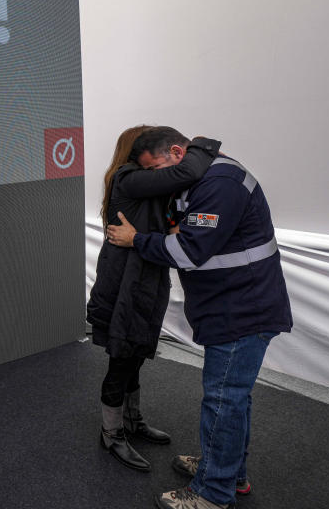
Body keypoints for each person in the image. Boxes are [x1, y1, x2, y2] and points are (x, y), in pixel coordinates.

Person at [106, 127, 293, 509]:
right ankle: (226, 470)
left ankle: (212, 493)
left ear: (177, 152)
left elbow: (190, 250)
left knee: (223, 401)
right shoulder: (206, 177)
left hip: (243, 310)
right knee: (233, 399)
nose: (160, 180)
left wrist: (136, 240)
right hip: (232, 305)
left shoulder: (221, 183)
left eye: (158, 169)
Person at [87, 126, 221, 472]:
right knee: (122, 357)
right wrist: (200, 146)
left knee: (136, 351)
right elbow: (188, 171)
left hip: (144, 277)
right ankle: (111, 432)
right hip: (125, 282)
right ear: (136, 150)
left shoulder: (142, 181)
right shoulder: (128, 177)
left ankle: (132, 420)